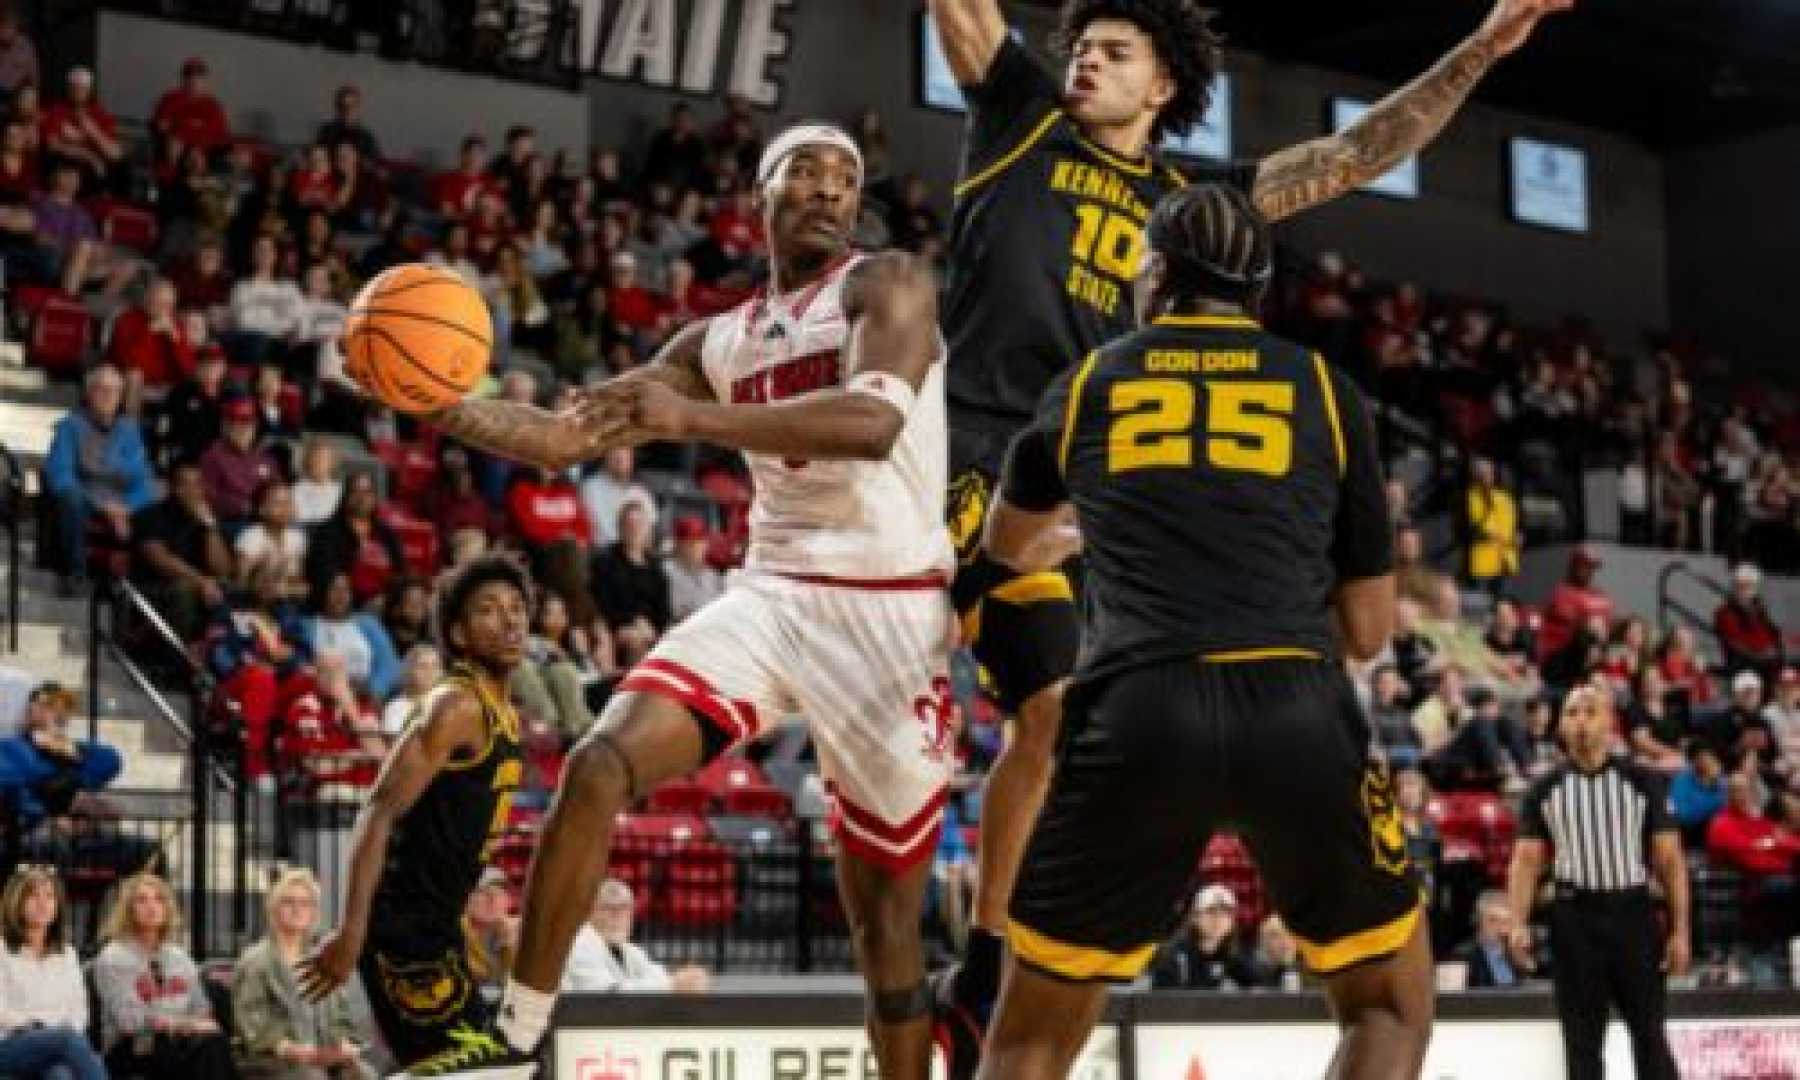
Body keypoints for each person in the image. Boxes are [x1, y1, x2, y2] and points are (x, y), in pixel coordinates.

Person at [924, 0, 1573, 1055]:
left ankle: (990, 962)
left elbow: (1358, 149)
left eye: (1114, 50)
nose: (1084, 59)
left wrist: (1480, 47)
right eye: (1079, 46)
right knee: (1031, 707)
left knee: (1059, 718)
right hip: (980, 453)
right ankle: (983, 952)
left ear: (1164, 83)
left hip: (1106, 495)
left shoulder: (1196, 211)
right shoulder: (1024, 116)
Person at [413, 123, 953, 1079]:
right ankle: (513, 1039)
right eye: (808, 173)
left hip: (890, 611)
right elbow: (559, 438)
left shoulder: (889, 284)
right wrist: (429, 397)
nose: (831, 190)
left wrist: (695, 417)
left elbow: (872, 424)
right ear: (761, 194)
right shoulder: (716, 341)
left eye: (848, 178)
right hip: (775, 596)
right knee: (596, 765)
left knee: (886, 936)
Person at [973, 184, 1427, 1079]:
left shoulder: (1094, 377)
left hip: (1137, 707)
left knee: (1029, 1038)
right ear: (1255, 292)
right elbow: (1370, 632)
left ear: (1156, 276)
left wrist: (1089, 533)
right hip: (1295, 702)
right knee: (1389, 1008)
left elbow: (1008, 546)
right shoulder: (1326, 390)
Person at [295, 555, 530, 1072]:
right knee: (475, 1070)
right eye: (489, 610)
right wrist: (350, 931)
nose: (511, 620)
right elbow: (377, 812)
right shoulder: (456, 705)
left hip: (439, 925)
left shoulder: (504, 712)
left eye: (517, 608)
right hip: (405, 932)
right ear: (459, 635)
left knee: (481, 1069)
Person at [1506, 684, 1687, 1080]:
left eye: (1590, 711)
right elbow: (1525, 862)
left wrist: (1680, 932)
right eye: (1571, 713)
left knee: (1650, 1038)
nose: (1580, 721)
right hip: (1574, 919)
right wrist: (1517, 923)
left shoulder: (1643, 782)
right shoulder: (1544, 788)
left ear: (1610, 723)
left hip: (1633, 915)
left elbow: (1670, 861)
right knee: (1582, 1044)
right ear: (1561, 726)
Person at [91, 872, 237, 1079]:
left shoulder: (179, 957)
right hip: (132, 1047)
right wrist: (181, 1024)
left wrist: (185, 1026)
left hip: (180, 1042)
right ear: (128, 910)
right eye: (142, 900)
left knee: (213, 1043)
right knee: (206, 1049)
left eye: (158, 899)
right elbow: (129, 1022)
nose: (152, 906)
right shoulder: (113, 957)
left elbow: (202, 1009)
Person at [233, 867, 375, 1079]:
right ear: (273, 909)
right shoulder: (256, 960)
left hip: (322, 1057)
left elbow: (341, 1019)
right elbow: (255, 1026)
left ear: (314, 912)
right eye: (288, 902)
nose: (297, 909)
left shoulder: (322, 960)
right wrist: (301, 1053)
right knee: (311, 1076)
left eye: (305, 903)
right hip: (270, 1060)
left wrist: (344, 1045)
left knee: (364, 1073)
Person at [43, 365, 157, 592]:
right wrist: (103, 506)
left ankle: (140, 581)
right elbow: (60, 473)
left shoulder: (129, 430)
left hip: (121, 499)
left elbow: (142, 477)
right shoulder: (70, 426)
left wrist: (125, 507)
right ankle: (76, 574)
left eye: (114, 391)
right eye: (101, 390)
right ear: (89, 393)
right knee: (69, 498)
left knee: (156, 499)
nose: (108, 396)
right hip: (84, 495)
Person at [0, 865, 106, 1080]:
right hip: (9, 1044)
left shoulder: (68, 954)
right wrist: (42, 1027)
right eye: (33, 896)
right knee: (68, 1041)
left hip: (61, 1044)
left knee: (60, 1075)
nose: (43, 903)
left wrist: (57, 1031)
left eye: (50, 896)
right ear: (16, 902)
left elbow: (79, 1011)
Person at [130, 458, 231, 642]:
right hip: (154, 586)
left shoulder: (206, 519)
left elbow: (222, 569)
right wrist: (201, 582)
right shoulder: (148, 515)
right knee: (182, 591)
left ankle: (220, 654)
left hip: (200, 586)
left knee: (229, 587)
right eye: (186, 485)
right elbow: (161, 560)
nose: (194, 492)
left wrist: (210, 528)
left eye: (198, 485)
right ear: (173, 488)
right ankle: (177, 662)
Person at [559, 878, 709, 995]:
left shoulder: (627, 949)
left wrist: (684, 980)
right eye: (607, 908)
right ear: (588, 912)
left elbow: (657, 975)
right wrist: (672, 985)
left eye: (624, 908)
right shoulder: (580, 942)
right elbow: (607, 993)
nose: (617, 915)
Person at [1149, 885, 1255, 991]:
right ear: (1195, 917)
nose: (1218, 919)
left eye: (1226, 913)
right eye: (1210, 911)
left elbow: (1258, 986)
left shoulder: (1230, 956)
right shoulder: (1174, 957)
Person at [1714, 562, 1784, 681]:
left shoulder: (1760, 610)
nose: (1743, 591)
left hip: (1768, 665)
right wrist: (1762, 654)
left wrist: (1775, 650)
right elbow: (1735, 643)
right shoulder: (1725, 613)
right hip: (1744, 667)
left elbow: (1773, 635)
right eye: (1739, 586)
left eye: (1748, 586)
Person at [1464, 457, 1519, 594]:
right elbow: (1479, 525)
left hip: (1505, 560)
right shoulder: (1471, 497)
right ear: (1476, 476)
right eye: (1483, 474)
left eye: (1489, 473)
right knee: (1482, 603)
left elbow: (1512, 525)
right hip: (1484, 562)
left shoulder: (1506, 498)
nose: (1487, 477)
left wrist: (1516, 537)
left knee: (1503, 602)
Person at [1451, 891, 1525, 989]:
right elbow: (1453, 999)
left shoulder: (1514, 954)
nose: (1500, 928)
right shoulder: (1463, 955)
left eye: (1506, 922)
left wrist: (1520, 955)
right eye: (1493, 921)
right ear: (1478, 922)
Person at [664, 514, 723, 625]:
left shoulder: (713, 576)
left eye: (700, 542)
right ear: (678, 544)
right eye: (691, 543)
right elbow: (678, 612)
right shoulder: (666, 572)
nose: (697, 548)